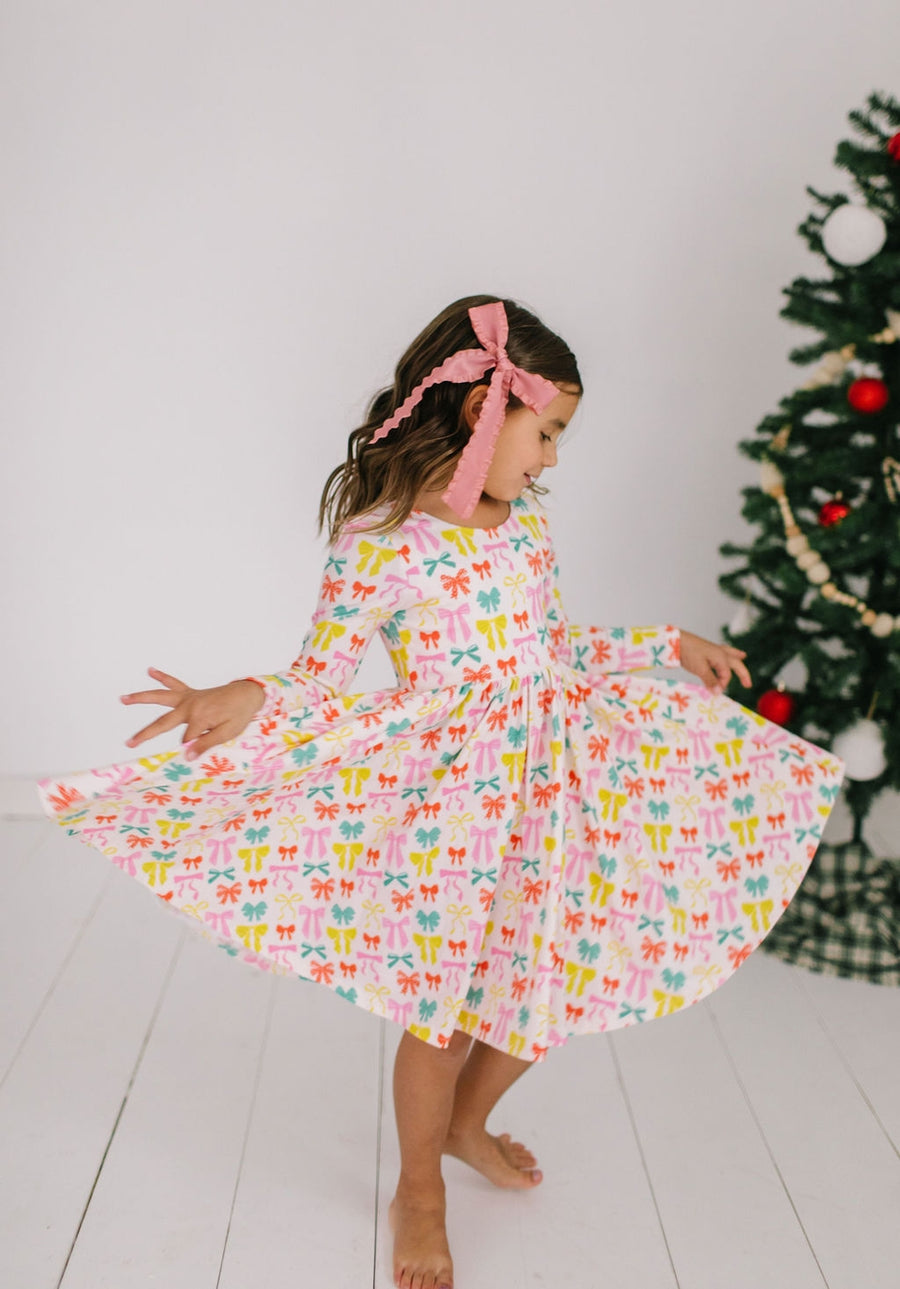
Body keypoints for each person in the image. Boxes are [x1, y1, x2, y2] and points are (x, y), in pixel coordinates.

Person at [38, 294, 845, 1289]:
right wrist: (242, 693)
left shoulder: (523, 525)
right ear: (482, 412)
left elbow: (552, 649)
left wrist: (661, 644)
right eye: (545, 432)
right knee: (444, 1012)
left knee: (550, 970)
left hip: (549, 785)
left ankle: (468, 1119)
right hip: (453, 805)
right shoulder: (382, 543)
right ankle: (419, 1182)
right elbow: (322, 675)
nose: (549, 458)